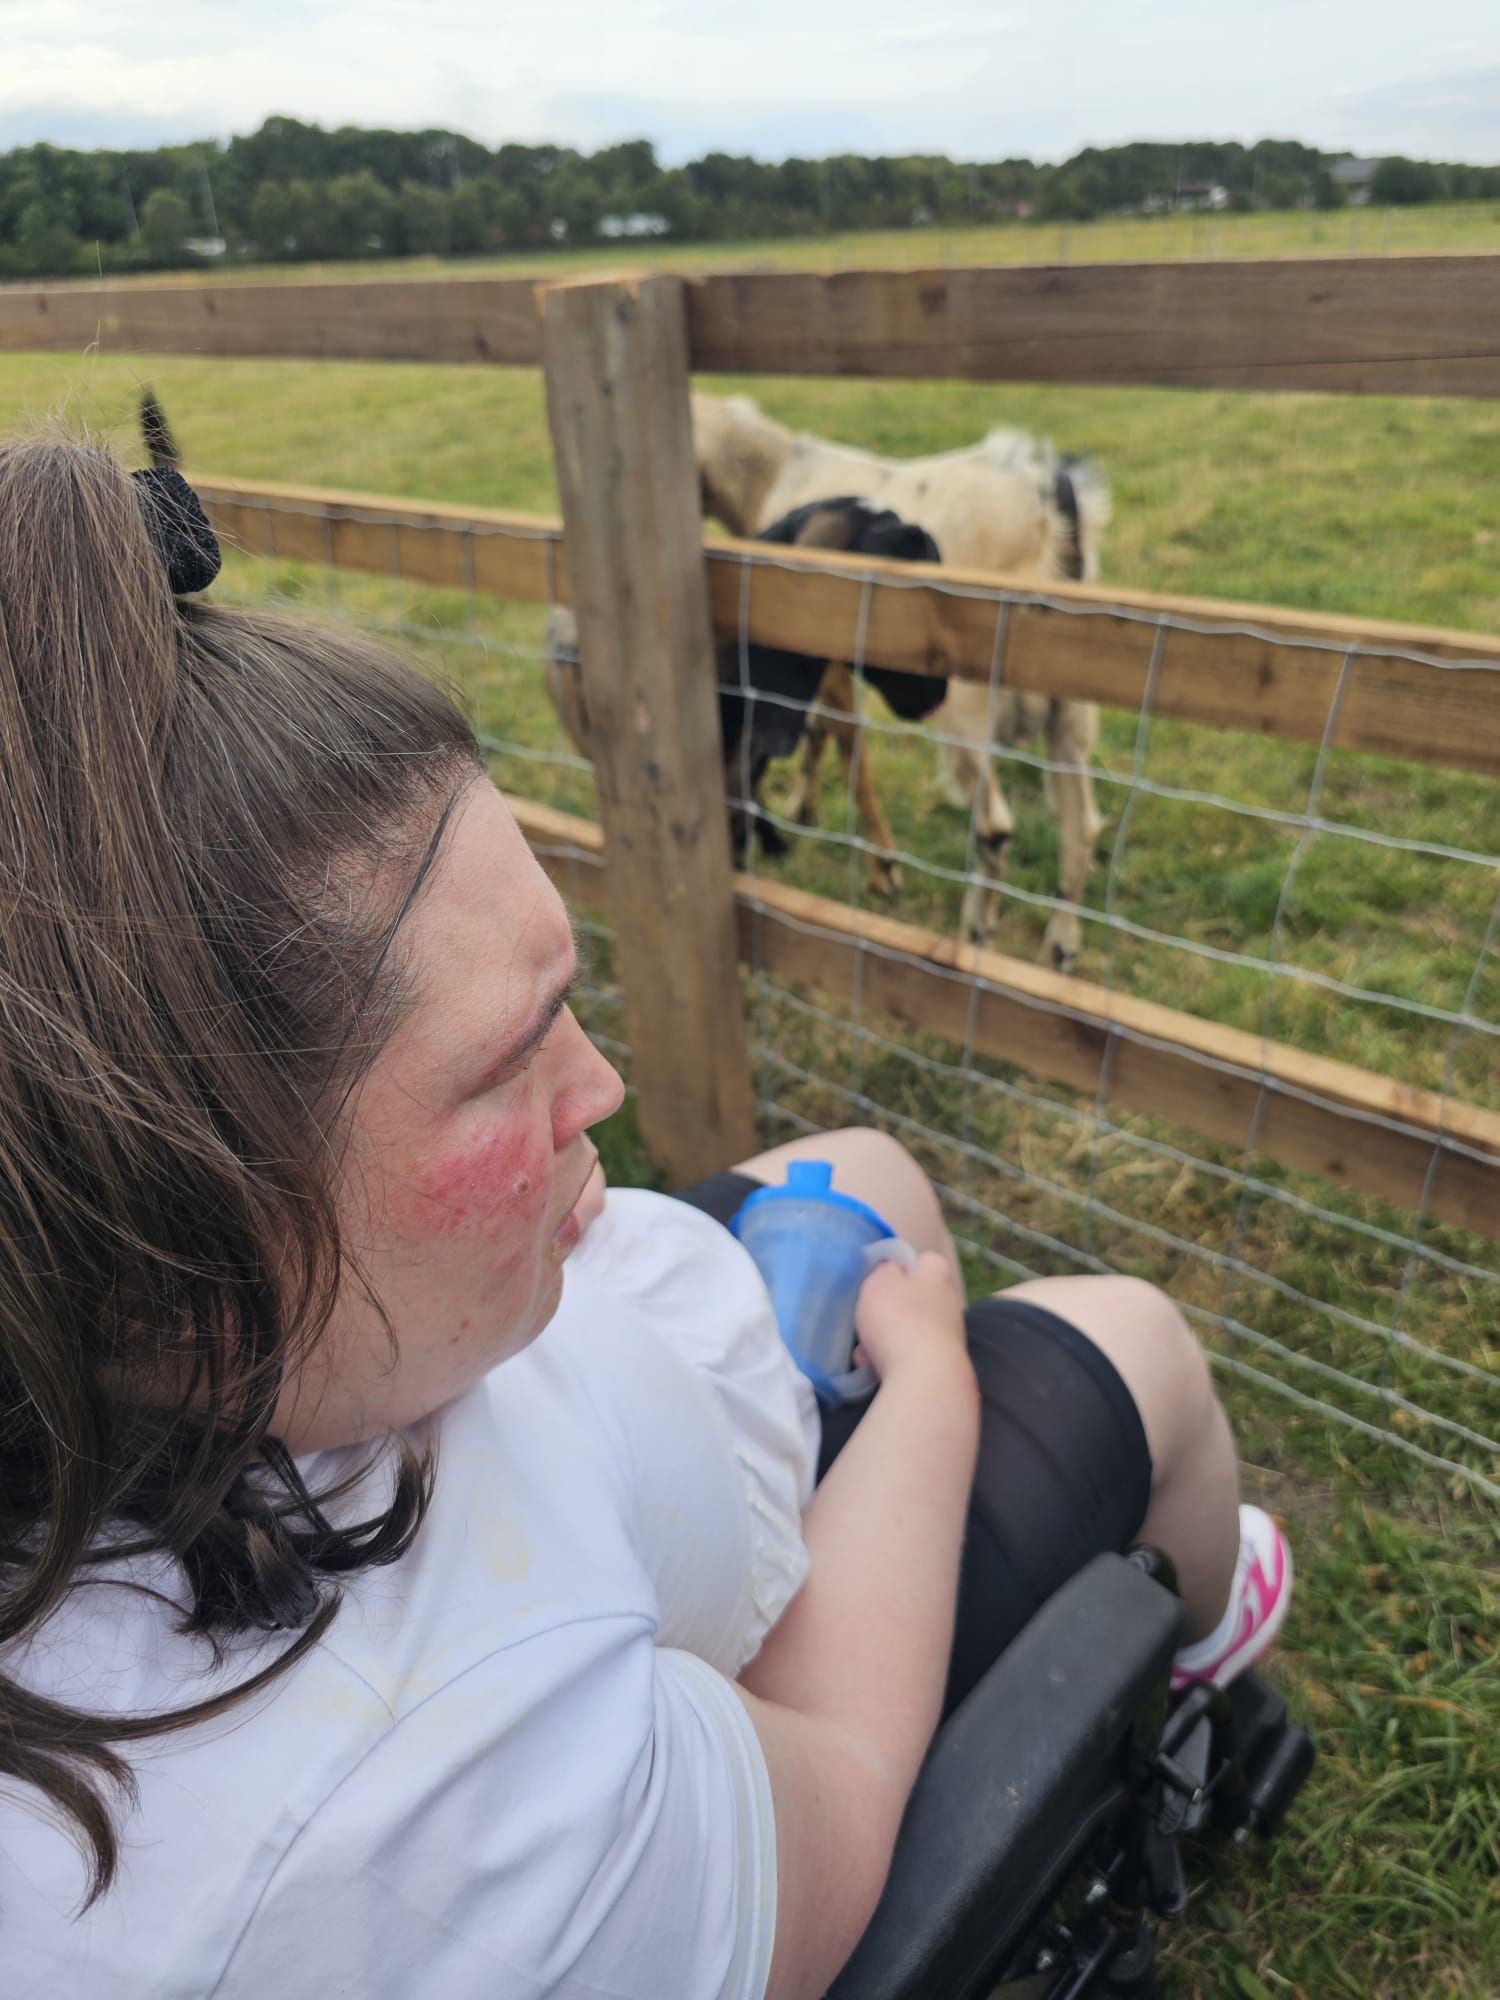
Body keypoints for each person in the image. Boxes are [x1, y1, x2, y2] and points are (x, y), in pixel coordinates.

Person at [0, 431, 1291, 2000]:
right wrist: (935, 1389)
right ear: (176, 1254)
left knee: (869, 1169)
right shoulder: (428, 1797)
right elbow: (840, 1776)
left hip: (648, 1387)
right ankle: (1214, 1668)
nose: (601, 1085)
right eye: (503, 1067)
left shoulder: (213, 1359)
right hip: (732, 1591)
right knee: (1132, 1336)